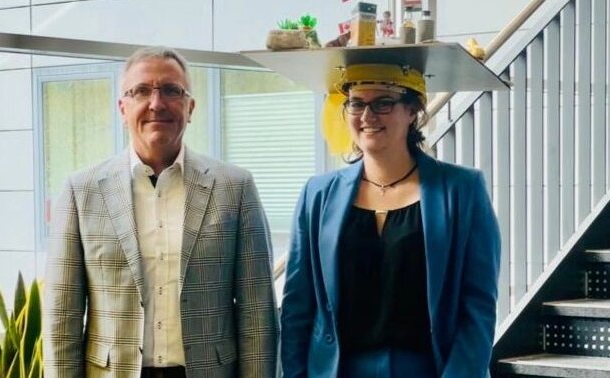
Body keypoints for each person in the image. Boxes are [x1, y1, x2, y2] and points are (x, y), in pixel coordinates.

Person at [42, 46, 279, 378]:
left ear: (190, 107)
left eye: (171, 90)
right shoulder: (81, 191)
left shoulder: (235, 187)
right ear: (122, 108)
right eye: (141, 91)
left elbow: (258, 314)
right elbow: (61, 317)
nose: (157, 103)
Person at [280, 63, 501, 376]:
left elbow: (478, 307)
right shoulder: (317, 194)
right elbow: (297, 308)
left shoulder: (463, 190)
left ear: (412, 110)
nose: (367, 117)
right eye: (357, 103)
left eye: (383, 102)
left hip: (428, 369)